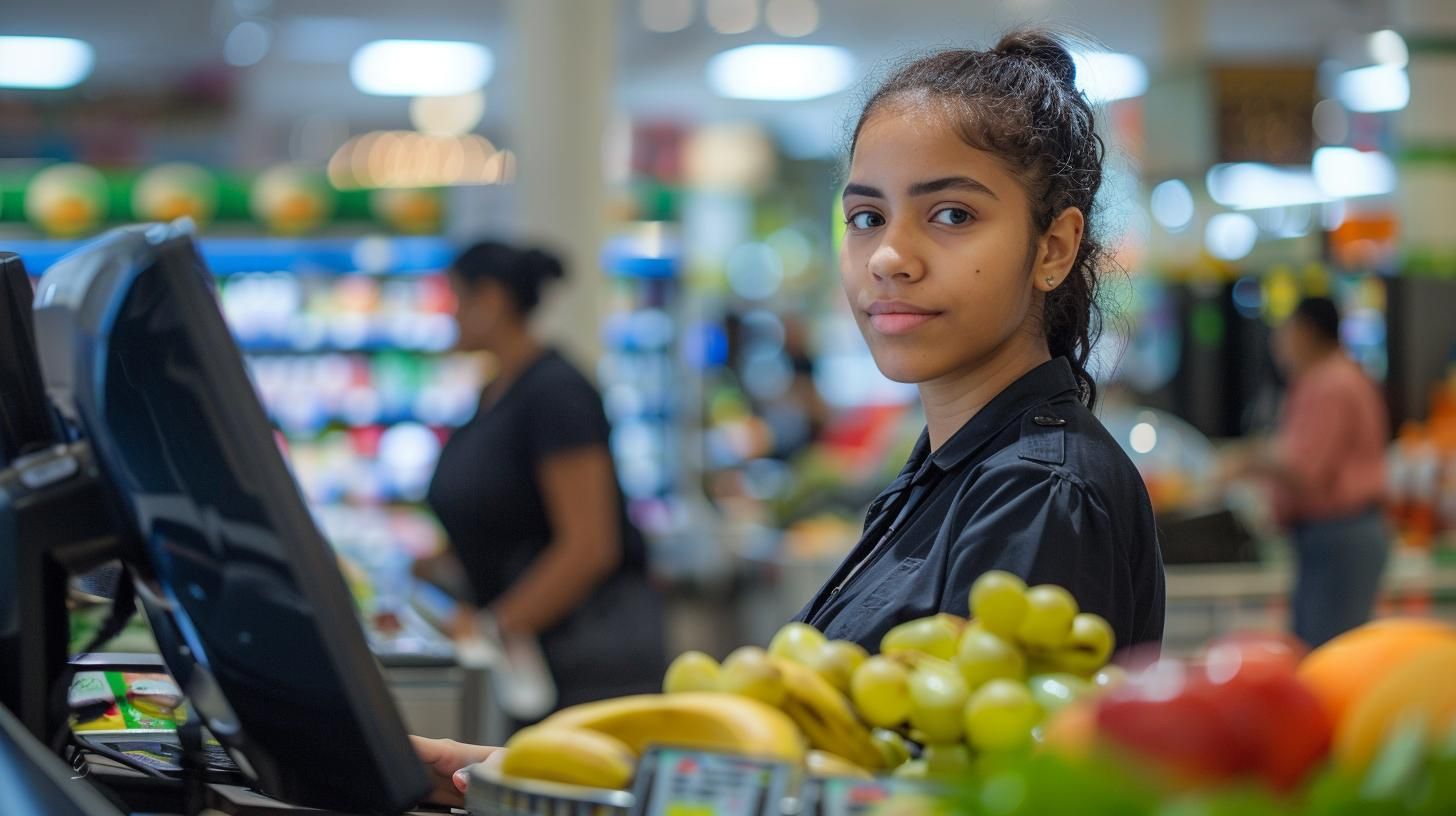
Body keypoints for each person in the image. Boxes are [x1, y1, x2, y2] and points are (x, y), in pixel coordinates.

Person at [412, 31, 1167, 805]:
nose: (889, 257)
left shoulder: (1041, 492)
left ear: (1054, 248)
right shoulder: (949, 473)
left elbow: (959, 791)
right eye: (867, 218)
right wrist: (514, 779)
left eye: (949, 214)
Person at [423, 240, 666, 723]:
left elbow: (590, 546)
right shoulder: (496, 392)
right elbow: (507, 518)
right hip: (535, 657)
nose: (446, 314)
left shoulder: (555, 395)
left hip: (585, 662)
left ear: (489, 299)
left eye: (453, 298)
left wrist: (494, 626)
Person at [1227, 297, 1389, 647]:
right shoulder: (1336, 377)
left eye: (1286, 331)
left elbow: (1304, 468)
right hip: (1338, 534)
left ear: (1307, 333)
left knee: (1326, 656)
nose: (1278, 343)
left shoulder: (1330, 383)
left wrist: (1245, 462)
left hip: (1339, 535)